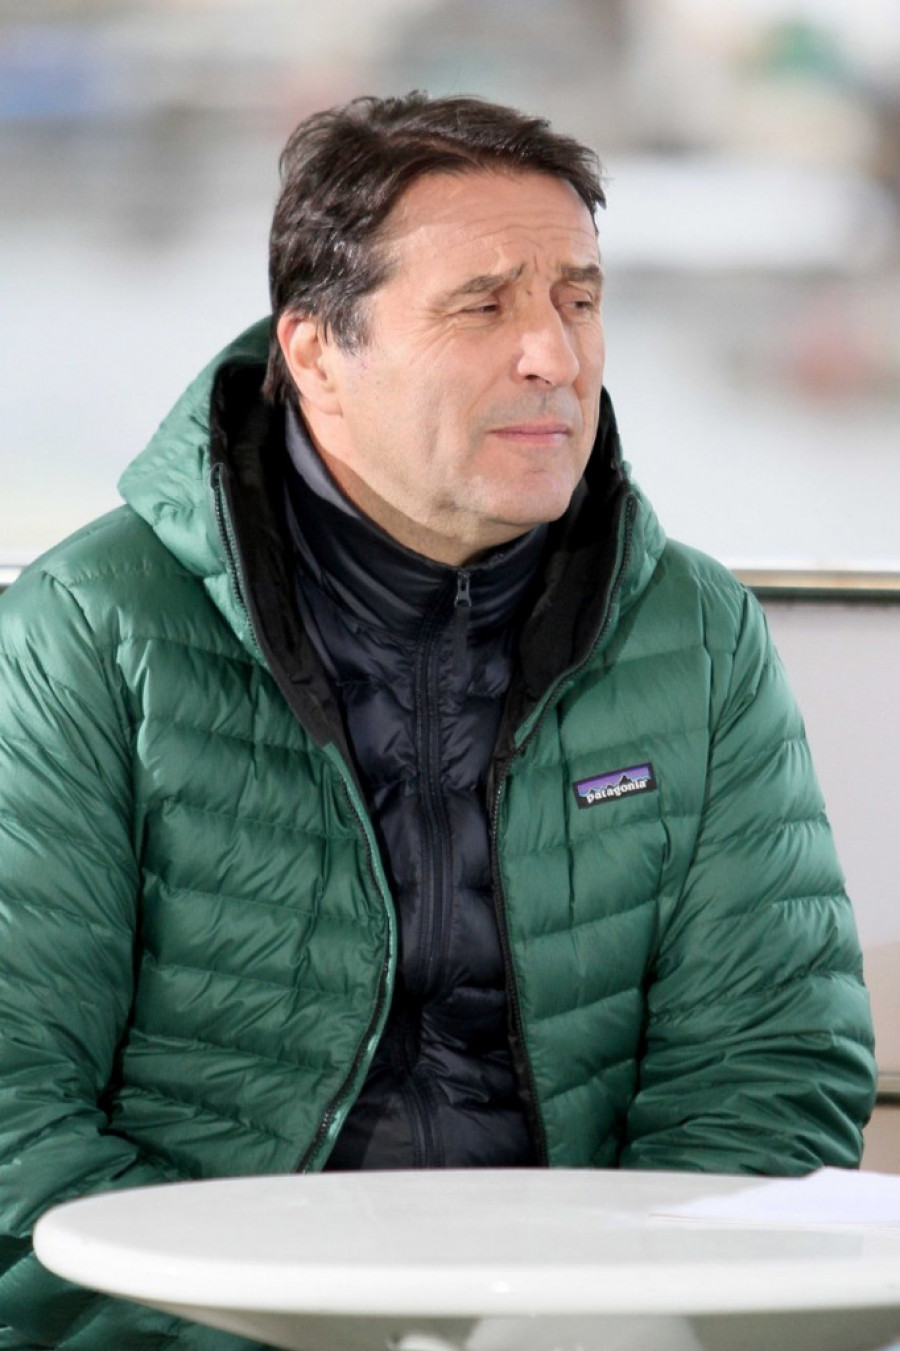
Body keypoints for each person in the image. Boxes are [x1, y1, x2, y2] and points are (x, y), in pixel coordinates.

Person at [0, 92, 876, 1350]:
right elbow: (15, 1116)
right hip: (198, 1325)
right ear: (316, 353)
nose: (554, 356)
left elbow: (767, 1065)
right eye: (484, 306)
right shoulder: (91, 629)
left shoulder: (693, 632)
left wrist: (625, 1324)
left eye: (578, 300)